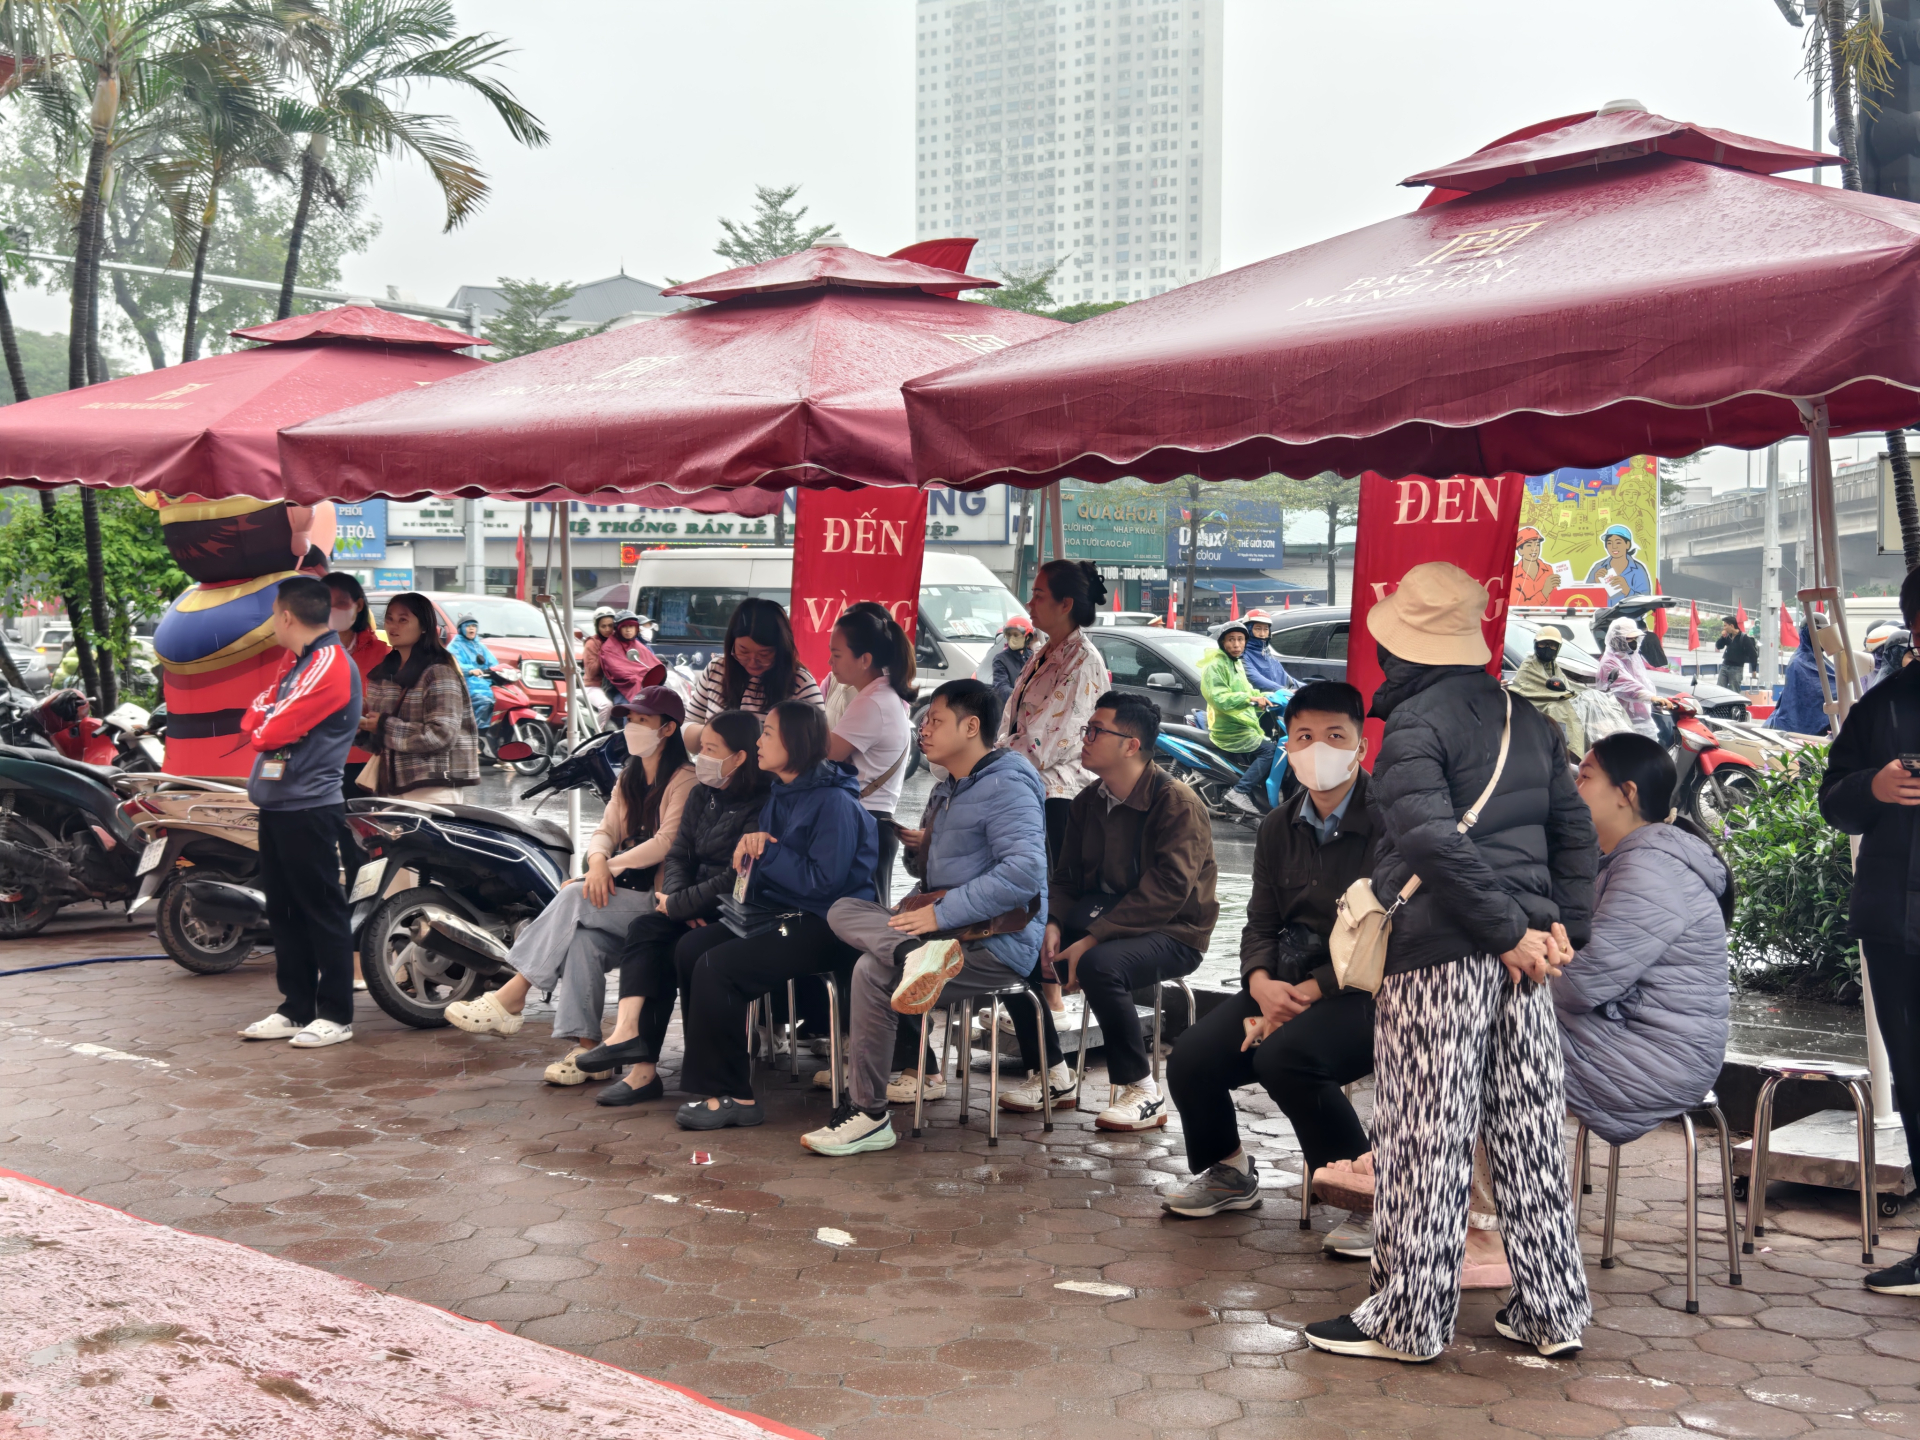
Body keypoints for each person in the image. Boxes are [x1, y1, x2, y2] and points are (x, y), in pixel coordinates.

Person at [1303, 561, 1597, 1366]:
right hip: (1525, 960)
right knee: (1529, 1132)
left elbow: (1433, 838)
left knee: (1425, 1137)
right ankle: (1551, 1309)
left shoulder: (1413, 729)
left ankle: (1409, 1318)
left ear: (1405, 651)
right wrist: (1563, 928)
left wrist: (1507, 930)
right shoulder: (1528, 720)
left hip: (1444, 953)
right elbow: (1574, 833)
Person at [1161, 681, 1378, 1231]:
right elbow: (1261, 918)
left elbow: (1395, 930)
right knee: (1192, 1057)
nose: (1318, 749)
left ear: (1361, 747)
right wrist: (1260, 982)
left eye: (1335, 735)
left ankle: (1369, 1195)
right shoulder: (1280, 823)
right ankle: (1228, 1171)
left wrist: (1315, 989)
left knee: (1286, 1058)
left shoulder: (1391, 824)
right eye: (1304, 736)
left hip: (1369, 993)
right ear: (1288, 744)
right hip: (1281, 985)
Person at [800, 679, 1049, 1155]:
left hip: (994, 940)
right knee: (842, 909)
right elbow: (938, 871)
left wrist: (938, 915)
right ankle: (914, 952)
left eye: (935, 720)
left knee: (873, 970)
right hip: (942, 932)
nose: (923, 729)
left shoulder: (1007, 783)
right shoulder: (949, 786)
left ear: (971, 726)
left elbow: (1024, 872)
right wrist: (921, 859)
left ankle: (869, 1115)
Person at [444, 687, 694, 1082]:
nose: (630, 728)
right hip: (623, 893)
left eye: (641, 721)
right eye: (628, 719)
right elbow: (605, 831)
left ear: (667, 729)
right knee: (582, 942)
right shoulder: (630, 775)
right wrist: (597, 862)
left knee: (574, 895)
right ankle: (589, 1053)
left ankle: (512, 996)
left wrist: (605, 868)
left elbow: (667, 841)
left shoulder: (685, 780)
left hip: (659, 901)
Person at [1001, 691, 1219, 1126]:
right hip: (1104, 919)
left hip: (1175, 931)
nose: (1085, 738)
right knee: (1021, 948)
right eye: (1088, 729)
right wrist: (1055, 923)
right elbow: (1063, 879)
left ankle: (1143, 1090)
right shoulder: (1087, 802)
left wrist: (1092, 939)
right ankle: (1051, 1073)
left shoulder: (1175, 803)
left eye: (1097, 731)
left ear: (1131, 745)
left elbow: (1168, 892)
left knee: (1101, 964)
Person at [673, 700, 876, 1130]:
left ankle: (734, 1096)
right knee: (691, 948)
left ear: (796, 741)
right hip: (780, 911)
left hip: (826, 924)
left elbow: (825, 883)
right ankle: (711, 1074)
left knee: (718, 967)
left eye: (768, 733)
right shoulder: (783, 792)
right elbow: (762, 866)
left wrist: (767, 850)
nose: (760, 740)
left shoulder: (833, 802)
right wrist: (750, 863)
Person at [578, 710, 773, 1104]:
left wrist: (680, 904)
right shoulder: (704, 793)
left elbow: (739, 875)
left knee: (675, 943)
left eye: (711, 749)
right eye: (701, 748)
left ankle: (651, 1061)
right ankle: (635, 1053)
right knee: (647, 929)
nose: (701, 757)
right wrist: (677, 901)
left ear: (738, 757)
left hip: (736, 906)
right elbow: (680, 854)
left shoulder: (765, 802)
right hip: (691, 900)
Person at [1819, 565, 1920, 1296]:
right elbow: (1835, 799)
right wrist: (1873, 788)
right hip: (1897, 924)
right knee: (1915, 1082)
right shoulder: (1883, 706)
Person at [1557, 734, 1732, 1146]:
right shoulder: (1632, 858)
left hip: (1658, 1058)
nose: (1572, 788)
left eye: (1584, 777)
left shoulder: (1650, 870)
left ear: (1626, 793)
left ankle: (1497, 1195)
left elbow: (1578, 986)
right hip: (1635, 1038)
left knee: (1491, 1028)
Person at [236, 576, 364, 1050]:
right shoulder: (297, 662)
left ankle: (336, 1013)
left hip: (310, 807)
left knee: (321, 908)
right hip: (278, 805)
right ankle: (295, 1007)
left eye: (273, 613)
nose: (273, 621)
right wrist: (267, 718)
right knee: (284, 911)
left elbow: (266, 731)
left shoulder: (328, 662)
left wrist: (267, 719)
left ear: (287, 615)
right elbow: (259, 714)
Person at [1000, 559, 1112, 861]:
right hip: (1033, 787)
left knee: (1052, 894)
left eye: (1039, 595)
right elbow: (1013, 720)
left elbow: (1044, 745)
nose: (1030, 602)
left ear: (1065, 604)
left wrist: (986, 758)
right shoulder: (1045, 652)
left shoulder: (1082, 661)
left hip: (1059, 798)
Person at [827, 606, 915, 906]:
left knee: (859, 920)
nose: (830, 662)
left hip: (865, 823)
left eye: (837, 655)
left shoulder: (872, 704)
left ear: (864, 659)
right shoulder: (879, 696)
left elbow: (826, 757)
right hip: (872, 822)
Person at [357, 595, 479, 802]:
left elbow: (441, 735)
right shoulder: (383, 673)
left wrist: (384, 725)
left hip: (432, 787)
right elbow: (380, 743)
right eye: (389, 619)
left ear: (424, 626)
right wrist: (361, 725)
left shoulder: (439, 672)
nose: (393, 626)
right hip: (390, 785)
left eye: (403, 620)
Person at [683, 597, 824, 748]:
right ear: (731, 643)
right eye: (743, 651)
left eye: (764, 655)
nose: (752, 662)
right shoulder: (717, 669)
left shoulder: (800, 684)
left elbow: (818, 747)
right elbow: (689, 724)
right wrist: (714, 735)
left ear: (782, 650)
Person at [1202, 621, 1278, 817]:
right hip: (1229, 728)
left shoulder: (1236, 663)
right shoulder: (1216, 666)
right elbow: (1219, 698)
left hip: (1243, 723)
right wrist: (1250, 699)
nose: (1236, 645)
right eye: (1231, 640)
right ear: (1222, 643)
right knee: (1269, 751)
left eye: (1241, 639)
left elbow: (1247, 689)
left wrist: (1269, 696)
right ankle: (1239, 792)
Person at [1508, 622, 1585, 757]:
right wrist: (1568, 693)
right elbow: (1540, 687)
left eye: (1553, 645)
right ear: (1536, 644)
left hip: (1547, 704)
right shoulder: (1529, 665)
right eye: (1544, 644)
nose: (1548, 648)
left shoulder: (1553, 665)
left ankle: (1574, 752)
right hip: (1531, 707)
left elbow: (1565, 685)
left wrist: (1586, 693)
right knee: (1560, 708)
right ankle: (1566, 751)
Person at [1593, 616, 1668, 740]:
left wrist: (1656, 700)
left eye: (1634, 639)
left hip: (1641, 718)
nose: (1633, 642)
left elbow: (1643, 681)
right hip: (1620, 720)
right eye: (1628, 639)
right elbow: (1627, 686)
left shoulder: (1633, 658)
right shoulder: (1609, 662)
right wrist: (1651, 697)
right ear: (1616, 640)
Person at [1768, 612, 1839, 736]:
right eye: (1819, 632)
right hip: (1798, 732)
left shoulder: (1820, 660)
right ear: (1810, 634)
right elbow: (1814, 695)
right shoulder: (1798, 663)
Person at [599, 611, 666, 705]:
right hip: (619, 690)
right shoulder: (609, 647)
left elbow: (653, 663)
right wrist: (642, 675)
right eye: (624, 627)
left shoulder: (638, 644)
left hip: (645, 686)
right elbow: (620, 672)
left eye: (631, 626)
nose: (628, 630)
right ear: (617, 629)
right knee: (629, 710)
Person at [1584, 524, 1652, 599]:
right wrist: (1596, 584)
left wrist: (1627, 591)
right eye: (1609, 543)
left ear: (1627, 545)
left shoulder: (1638, 569)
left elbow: (1645, 599)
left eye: (1618, 542)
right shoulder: (1598, 567)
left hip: (1629, 611)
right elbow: (1586, 598)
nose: (1614, 547)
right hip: (1604, 611)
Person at [1238, 609, 1297, 694]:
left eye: (1266, 629)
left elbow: (1287, 679)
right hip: (1261, 702)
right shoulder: (1242, 655)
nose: (1262, 634)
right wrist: (1286, 691)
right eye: (1258, 629)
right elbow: (1255, 679)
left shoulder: (1267, 653)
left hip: (1280, 698)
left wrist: (1308, 689)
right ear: (1248, 631)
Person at [581, 606, 620, 722]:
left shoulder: (619, 641)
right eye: (603, 626)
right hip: (595, 686)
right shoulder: (592, 643)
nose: (608, 629)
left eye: (610, 625)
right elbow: (591, 672)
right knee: (606, 705)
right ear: (597, 627)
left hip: (615, 685)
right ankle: (600, 735)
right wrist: (604, 652)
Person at [1511, 527, 1558, 607]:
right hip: (1523, 619)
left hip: (1551, 618)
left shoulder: (1549, 570)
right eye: (1529, 545)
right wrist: (1545, 592)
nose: (1534, 549)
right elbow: (1517, 608)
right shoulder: (1513, 575)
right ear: (1520, 550)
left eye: (1537, 545)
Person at [992, 616, 1034, 702]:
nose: (1012, 638)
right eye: (1009, 635)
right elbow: (1001, 687)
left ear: (1027, 637)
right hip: (1011, 708)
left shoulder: (1033, 657)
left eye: (1016, 635)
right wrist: (1022, 696)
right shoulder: (1000, 659)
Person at [1715, 616, 1758, 692]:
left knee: (1734, 691)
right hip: (1725, 666)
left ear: (1731, 626)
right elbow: (1719, 646)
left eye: (1725, 626)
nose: (1724, 628)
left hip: (1736, 669)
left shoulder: (1744, 638)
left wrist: (1753, 670)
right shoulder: (1727, 636)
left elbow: (1753, 654)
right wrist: (1722, 637)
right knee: (1719, 689)